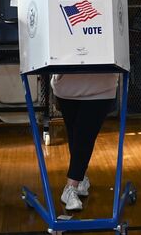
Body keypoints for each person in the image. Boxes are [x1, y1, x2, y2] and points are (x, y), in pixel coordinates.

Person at [52, 73, 118, 210]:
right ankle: (81, 178)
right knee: (76, 136)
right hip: (67, 86)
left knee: (84, 135)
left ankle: (71, 186)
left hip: (100, 87)